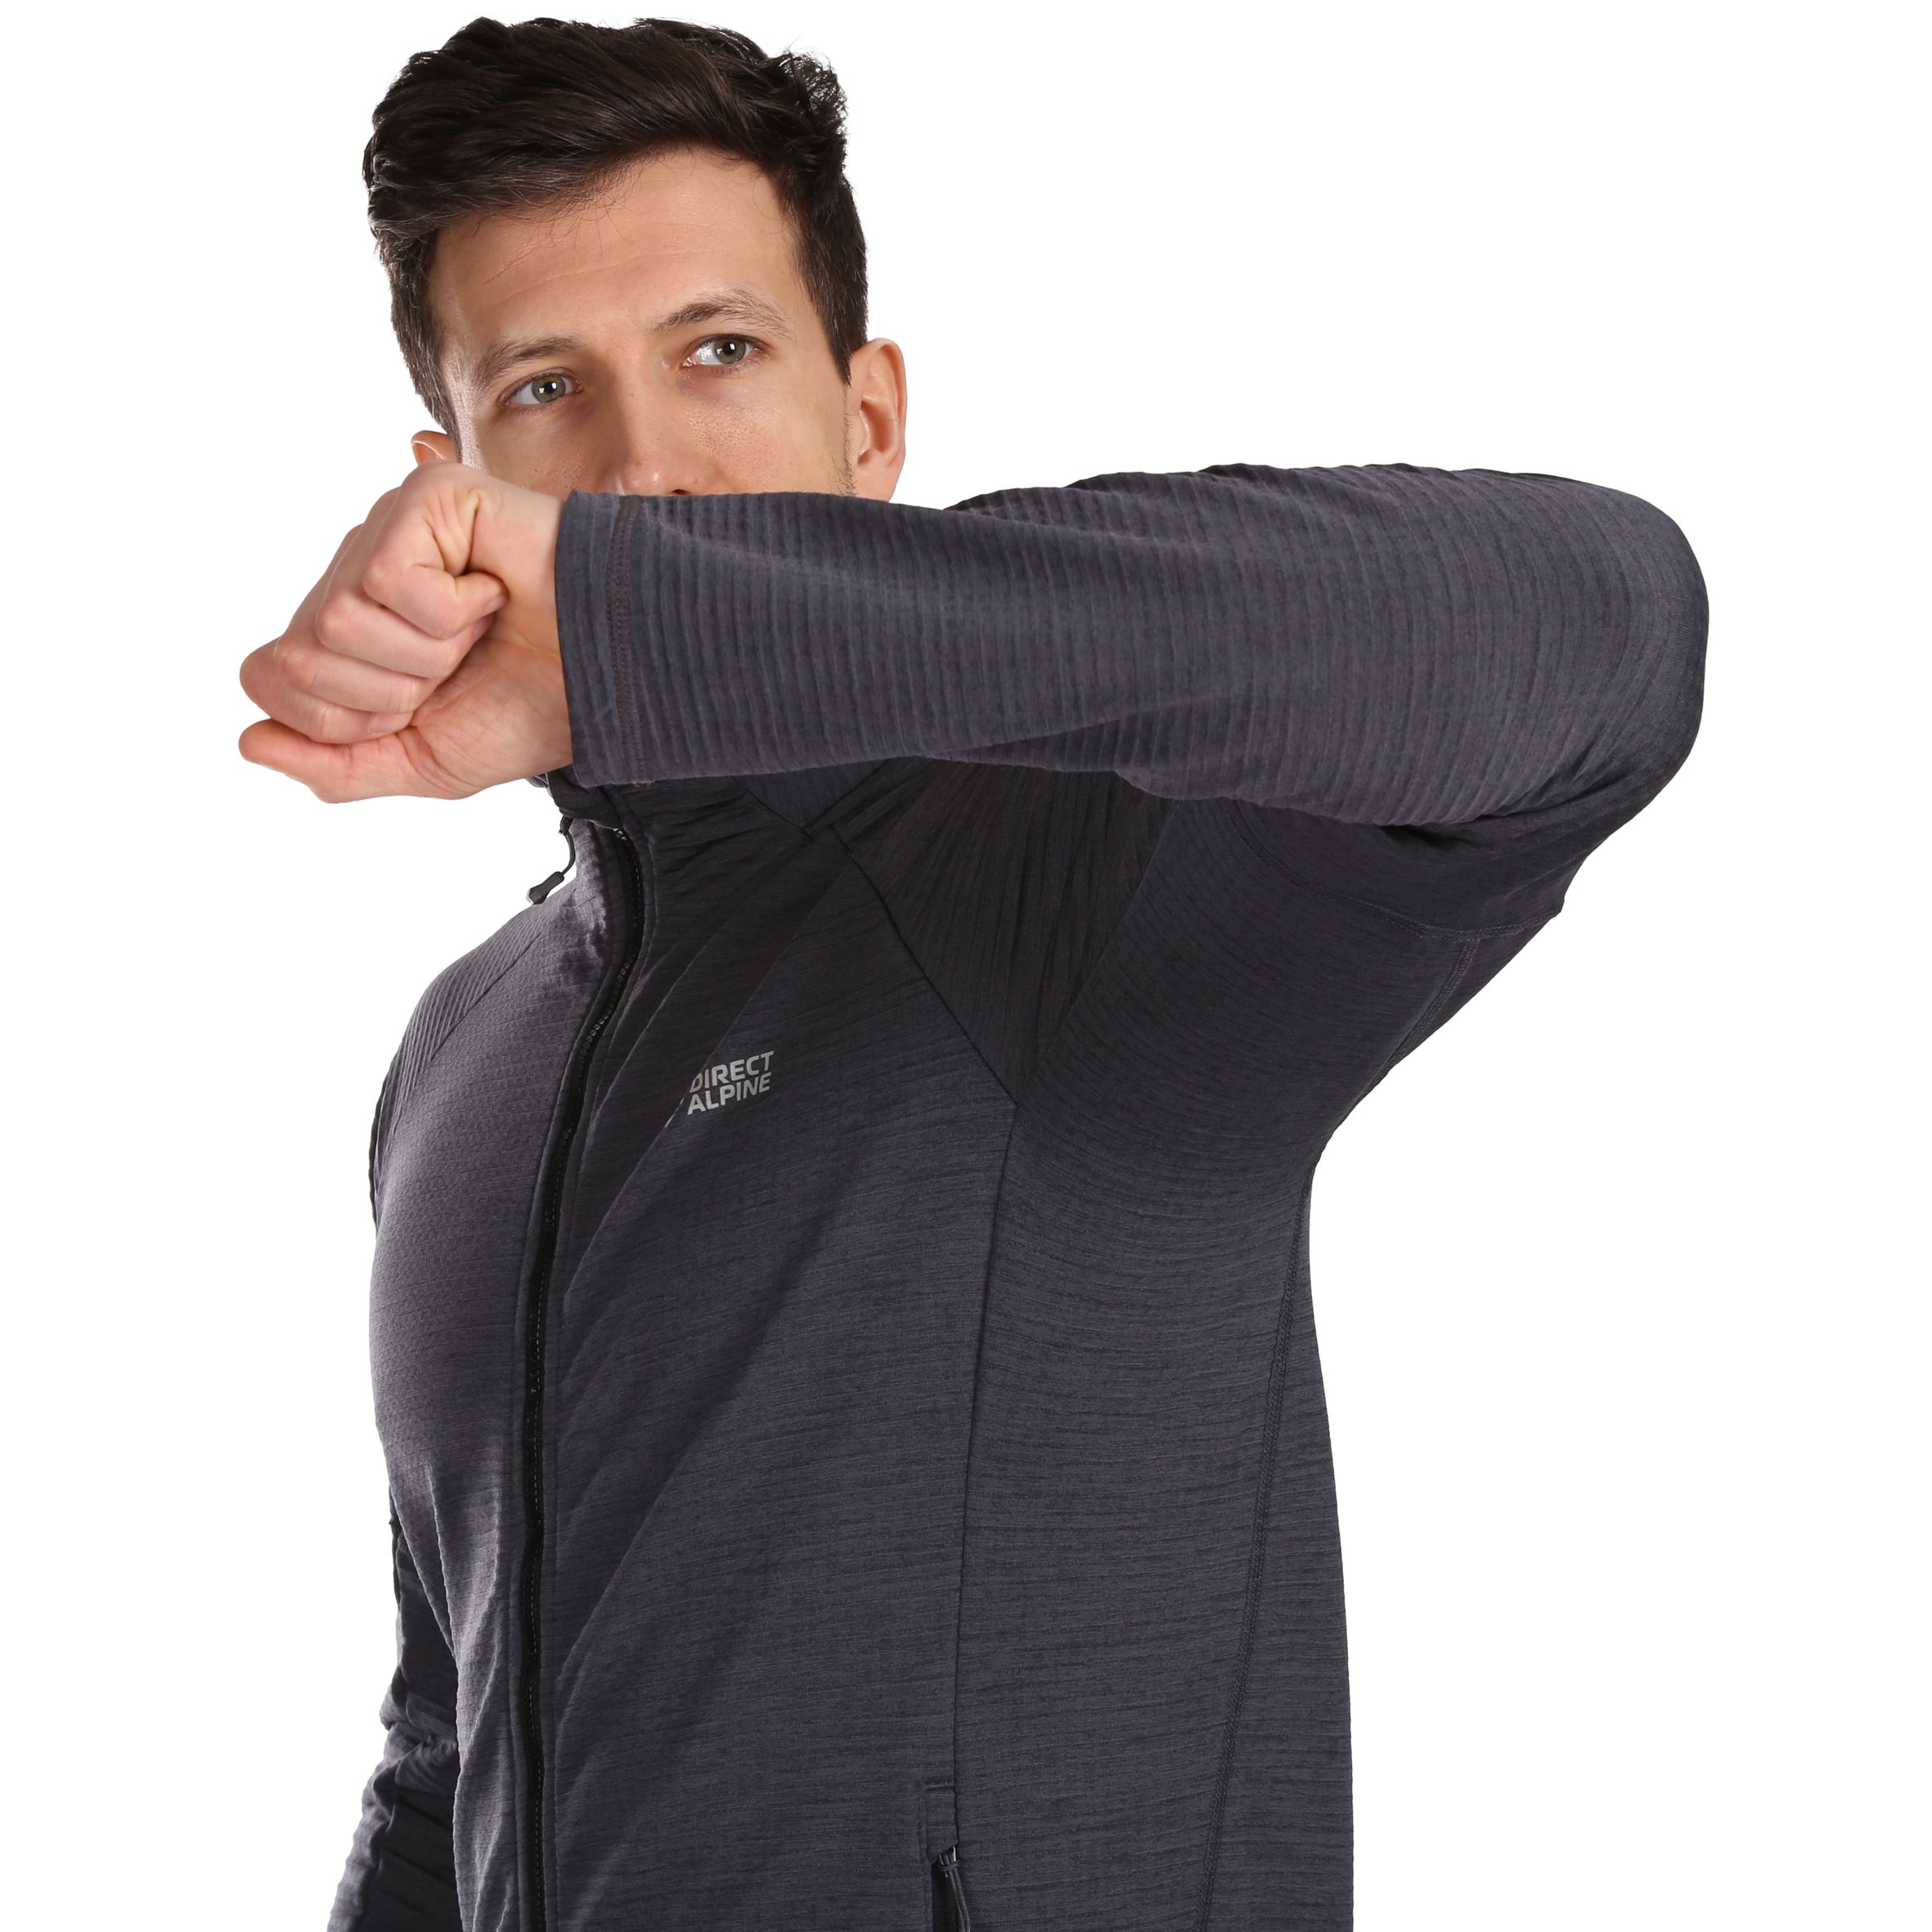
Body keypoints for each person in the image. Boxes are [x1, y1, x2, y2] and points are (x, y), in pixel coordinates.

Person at [236, 18, 1707, 1932]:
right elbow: (450, 1740)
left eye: (716, 351)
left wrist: (668, 625)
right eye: (543, 388)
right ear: (450, 473)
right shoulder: (466, 1043)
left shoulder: (1071, 873)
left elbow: (1605, 634)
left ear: (869, 420)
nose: (639, 466)